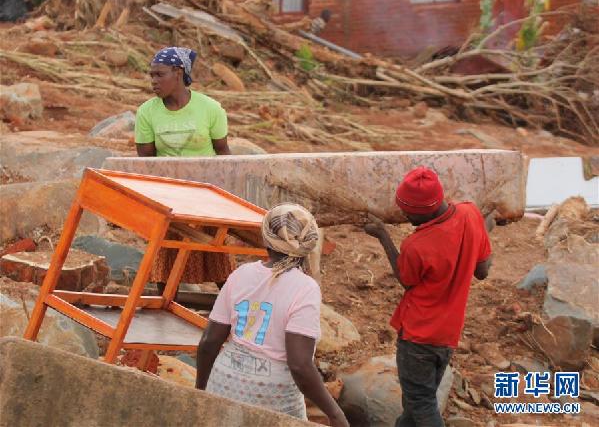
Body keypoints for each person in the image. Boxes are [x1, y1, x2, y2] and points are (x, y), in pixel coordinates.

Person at [195, 203, 349, 427]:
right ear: (308, 243)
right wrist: (335, 414)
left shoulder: (241, 274)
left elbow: (209, 342)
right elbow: (299, 365)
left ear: (266, 240)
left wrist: (201, 390)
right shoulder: (304, 288)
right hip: (271, 395)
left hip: (224, 384)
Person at [364, 167, 493, 427]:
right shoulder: (470, 213)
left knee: (421, 405)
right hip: (447, 336)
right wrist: (481, 233)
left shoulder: (417, 245)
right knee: (413, 408)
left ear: (424, 210)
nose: (405, 215)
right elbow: (482, 270)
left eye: (407, 211)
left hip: (418, 336)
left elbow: (405, 279)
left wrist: (382, 235)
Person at [134, 46, 233, 294]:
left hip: (206, 194)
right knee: (166, 258)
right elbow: (146, 161)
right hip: (170, 196)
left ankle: (234, 312)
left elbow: (222, 152)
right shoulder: (147, 112)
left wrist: (226, 196)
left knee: (217, 256)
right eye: (151, 75)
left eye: (159, 75)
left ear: (178, 73)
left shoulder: (209, 108)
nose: (153, 81)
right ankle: (165, 309)